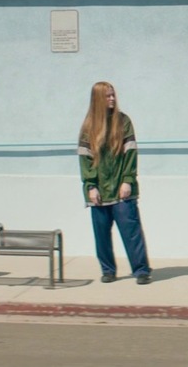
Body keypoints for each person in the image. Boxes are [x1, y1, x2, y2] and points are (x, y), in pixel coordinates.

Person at [78, 81, 151, 284]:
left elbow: (130, 153)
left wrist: (127, 181)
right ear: (98, 99)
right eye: (107, 96)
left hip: (122, 190)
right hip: (99, 191)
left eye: (113, 95)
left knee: (131, 231)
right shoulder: (88, 127)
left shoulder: (123, 121)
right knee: (101, 235)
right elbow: (85, 159)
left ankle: (141, 270)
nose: (112, 99)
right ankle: (108, 270)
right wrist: (91, 186)